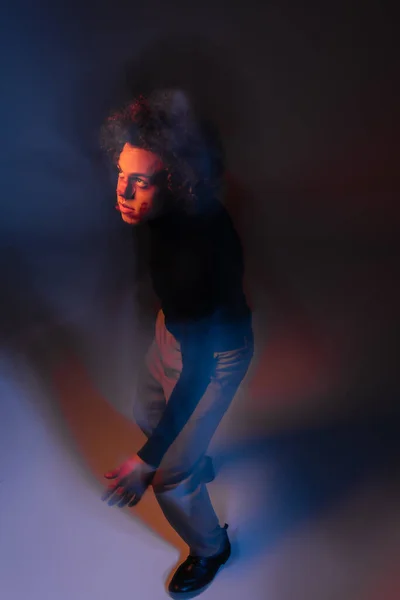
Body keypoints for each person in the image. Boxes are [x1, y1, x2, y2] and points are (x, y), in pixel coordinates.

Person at [100, 89, 254, 596]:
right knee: (149, 407)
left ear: (173, 179)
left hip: (211, 357)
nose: (123, 192)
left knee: (170, 482)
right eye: (121, 175)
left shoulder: (193, 254)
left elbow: (197, 373)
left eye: (138, 182)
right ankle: (191, 454)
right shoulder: (167, 210)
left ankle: (213, 548)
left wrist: (147, 462)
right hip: (180, 329)